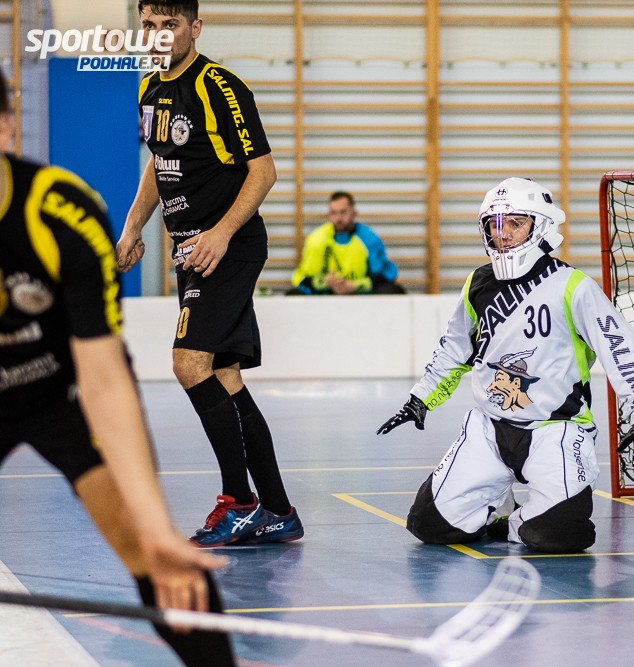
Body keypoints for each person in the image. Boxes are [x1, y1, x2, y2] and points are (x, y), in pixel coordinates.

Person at [0, 69, 235, 666]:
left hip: (58, 393)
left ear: (5, 128)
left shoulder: (60, 211)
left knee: (160, 559)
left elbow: (104, 377)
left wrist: (155, 527)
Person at [376, 177, 634, 553]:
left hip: (556, 430)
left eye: (516, 223)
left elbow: (621, 349)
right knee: (428, 524)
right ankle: (499, 504)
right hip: (489, 429)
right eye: (495, 224)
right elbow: (454, 349)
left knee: (558, 534)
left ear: (541, 225)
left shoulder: (573, 286)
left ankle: (513, 522)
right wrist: (421, 398)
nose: (503, 234)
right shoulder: (477, 283)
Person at [116, 0, 302, 547]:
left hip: (229, 248)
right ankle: (278, 511)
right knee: (225, 378)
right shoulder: (150, 88)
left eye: (169, 25)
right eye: (149, 25)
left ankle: (238, 503)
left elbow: (263, 171)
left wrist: (220, 234)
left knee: (188, 363)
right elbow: (159, 163)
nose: (158, 35)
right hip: (191, 253)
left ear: (194, 28)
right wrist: (132, 227)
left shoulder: (219, 86)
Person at [289, 191, 406, 295]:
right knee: (294, 295)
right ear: (328, 215)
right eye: (333, 213)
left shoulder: (369, 239)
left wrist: (354, 285)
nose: (339, 218)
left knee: (394, 291)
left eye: (343, 212)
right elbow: (303, 278)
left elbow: (384, 276)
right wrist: (324, 282)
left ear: (354, 213)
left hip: (359, 294)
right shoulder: (316, 240)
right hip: (326, 293)